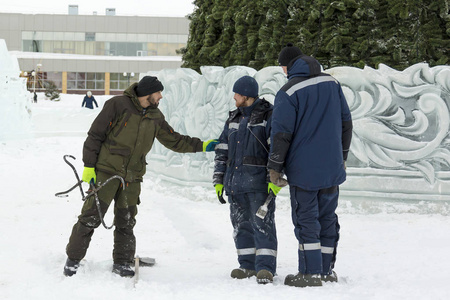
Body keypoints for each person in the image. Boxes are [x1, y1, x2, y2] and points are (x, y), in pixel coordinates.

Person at [63, 76, 219, 277]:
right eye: (158, 93)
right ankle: (73, 260)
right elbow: (95, 135)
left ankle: (122, 262)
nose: (161, 96)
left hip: (132, 177)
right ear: (148, 93)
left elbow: (174, 140)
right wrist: (89, 166)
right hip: (107, 172)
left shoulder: (155, 116)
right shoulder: (117, 105)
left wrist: (202, 146)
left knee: (126, 221)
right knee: (90, 216)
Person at [267, 43, 353, 287]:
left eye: (282, 66)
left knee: (307, 220)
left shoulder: (289, 91)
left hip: (304, 171)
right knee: (327, 218)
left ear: (288, 65)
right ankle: (326, 271)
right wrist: (342, 156)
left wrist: (275, 167)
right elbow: (346, 122)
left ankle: (310, 272)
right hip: (332, 167)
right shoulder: (332, 83)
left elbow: (281, 134)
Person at [213, 76, 280, 284]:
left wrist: (274, 178)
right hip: (235, 184)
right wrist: (218, 179)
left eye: (237, 94)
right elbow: (222, 149)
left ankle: (265, 268)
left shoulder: (268, 115)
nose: (234, 98)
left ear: (246, 95)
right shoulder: (233, 118)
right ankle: (247, 265)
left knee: (263, 226)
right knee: (241, 225)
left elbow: (277, 150)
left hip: (259, 184)